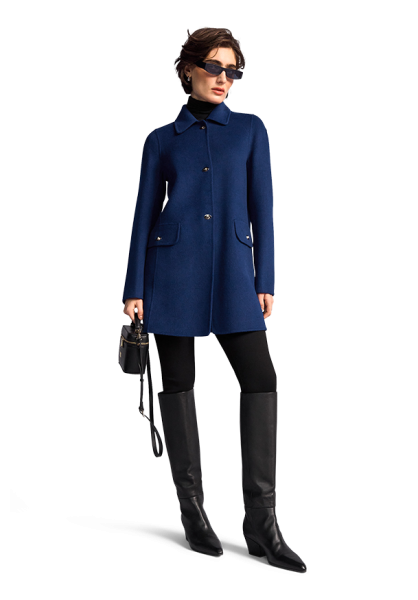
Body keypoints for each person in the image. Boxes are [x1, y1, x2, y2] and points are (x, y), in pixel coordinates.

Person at [122, 26, 306, 573]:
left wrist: (265, 278)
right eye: (214, 67)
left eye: (233, 70)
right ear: (188, 70)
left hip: (234, 271)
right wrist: (134, 288)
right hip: (171, 273)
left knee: (261, 377)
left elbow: (264, 206)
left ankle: (261, 523)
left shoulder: (250, 129)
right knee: (178, 383)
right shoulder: (160, 139)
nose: (225, 78)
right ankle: (193, 513)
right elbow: (142, 216)